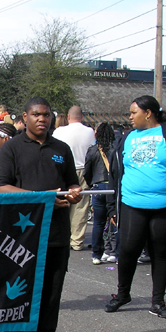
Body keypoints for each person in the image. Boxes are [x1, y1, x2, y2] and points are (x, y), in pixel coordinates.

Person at [0, 97, 82, 332]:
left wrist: (75, 193)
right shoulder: (11, 149)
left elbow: (72, 184)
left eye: (46, 115)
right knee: (19, 284)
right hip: (22, 232)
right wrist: (41, 197)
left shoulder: (62, 149)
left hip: (56, 230)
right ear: (25, 117)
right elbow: (0, 187)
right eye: (36, 114)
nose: (42, 119)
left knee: (52, 287)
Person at [105, 95, 166, 319]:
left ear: (147, 113)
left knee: (159, 253)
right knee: (128, 250)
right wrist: (113, 207)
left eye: (133, 112)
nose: (130, 117)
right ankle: (122, 294)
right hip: (131, 204)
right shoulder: (127, 137)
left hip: (165, 206)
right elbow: (115, 173)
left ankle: (158, 302)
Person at [52, 106, 96, 251]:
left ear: (69, 117)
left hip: (63, 169)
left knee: (62, 203)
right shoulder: (89, 131)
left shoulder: (59, 131)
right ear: (82, 117)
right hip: (84, 169)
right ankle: (76, 241)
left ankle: (62, 237)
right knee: (81, 206)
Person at [83, 123, 118, 264]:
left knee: (98, 222)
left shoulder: (92, 150)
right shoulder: (115, 150)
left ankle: (97, 254)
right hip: (112, 187)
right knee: (114, 220)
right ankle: (115, 251)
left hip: (98, 187)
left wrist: (91, 185)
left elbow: (87, 172)